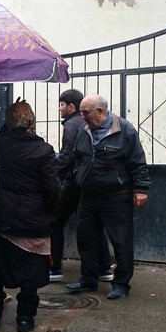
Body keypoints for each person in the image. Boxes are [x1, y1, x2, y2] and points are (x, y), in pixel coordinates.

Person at [0, 98, 60, 332]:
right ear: (32, 122)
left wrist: (10, 116)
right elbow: (51, 188)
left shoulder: (2, 144)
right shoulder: (43, 150)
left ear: (9, 122)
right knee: (32, 272)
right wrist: (53, 210)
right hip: (32, 218)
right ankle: (24, 318)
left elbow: (2, 132)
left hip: (2, 215)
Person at [65, 93, 150, 300]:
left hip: (116, 195)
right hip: (88, 195)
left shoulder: (125, 130)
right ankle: (88, 279)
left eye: (85, 112)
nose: (81, 116)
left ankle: (121, 284)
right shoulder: (83, 130)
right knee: (86, 238)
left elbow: (137, 162)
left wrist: (141, 189)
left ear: (100, 112)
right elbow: (77, 158)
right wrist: (78, 176)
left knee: (121, 241)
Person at [50, 89, 114, 282]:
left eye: (61, 105)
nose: (59, 109)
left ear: (71, 106)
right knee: (95, 226)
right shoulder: (87, 123)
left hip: (73, 182)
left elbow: (68, 156)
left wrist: (56, 174)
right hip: (87, 181)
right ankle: (104, 268)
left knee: (56, 222)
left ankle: (54, 269)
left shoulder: (72, 125)